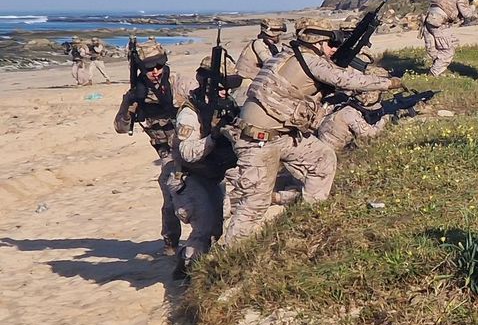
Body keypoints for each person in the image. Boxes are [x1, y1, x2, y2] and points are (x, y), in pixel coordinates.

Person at [222, 23, 401, 241]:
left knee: (323, 159)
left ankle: (310, 219)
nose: (335, 49)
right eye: (332, 44)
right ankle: (225, 258)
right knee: (254, 205)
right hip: (258, 141)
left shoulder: (290, 55)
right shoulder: (309, 60)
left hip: (283, 136)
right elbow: (346, 80)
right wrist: (389, 83)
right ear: (318, 42)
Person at [114, 40, 184, 261]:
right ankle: (171, 242)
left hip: (191, 145)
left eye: (158, 67)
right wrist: (130, 106)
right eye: (149, 69)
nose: (155, 72)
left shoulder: (178, 83)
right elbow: (120, 128)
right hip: (167, 152)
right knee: (170, 192)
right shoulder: (137, 93)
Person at [168, 61, 237, 277]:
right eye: (221, 86)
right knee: (204, 229)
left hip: (215, 175)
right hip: (190, 178)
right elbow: (187, 152)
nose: (226, 91)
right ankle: (187, 269)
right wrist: (213, 137)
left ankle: (190, 260)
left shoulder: (226, 104)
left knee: (218, 229)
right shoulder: (190, 112)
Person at [422, 0, 478, 77]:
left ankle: (438, 67)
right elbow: (467, 14)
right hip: (439, 23)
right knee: (448, 51)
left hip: (429, 21)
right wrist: (474, 6)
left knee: (451, 42)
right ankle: (433, 74)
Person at [235, 18, 288, 87]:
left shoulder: (269, 45)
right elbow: (269, 62)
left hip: (257, 78)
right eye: (278, 33)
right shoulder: (258, 44)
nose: (280, 35)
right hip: (249, 79)